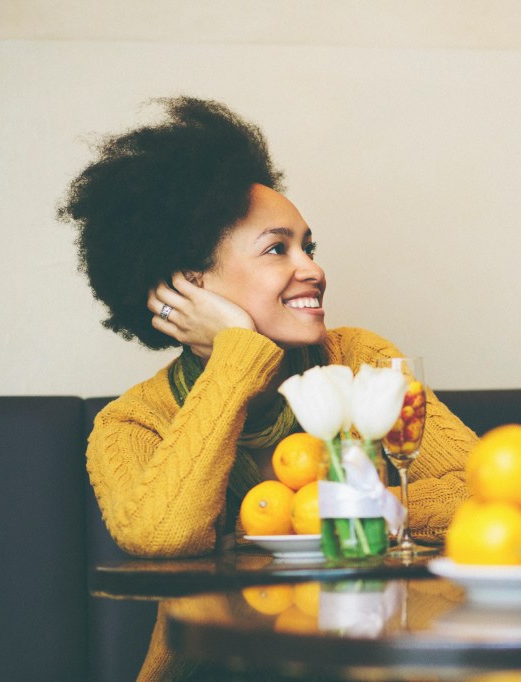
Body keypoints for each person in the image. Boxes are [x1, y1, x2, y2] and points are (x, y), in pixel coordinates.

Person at [59, 96, 475, 680]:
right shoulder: (132, 422)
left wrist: (355, 514)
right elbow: (162, 536)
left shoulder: (362, 360)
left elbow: (484, 491)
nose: (312, 268)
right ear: (191, 283)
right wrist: (238, 351)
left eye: (308, 246)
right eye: (278, 249)